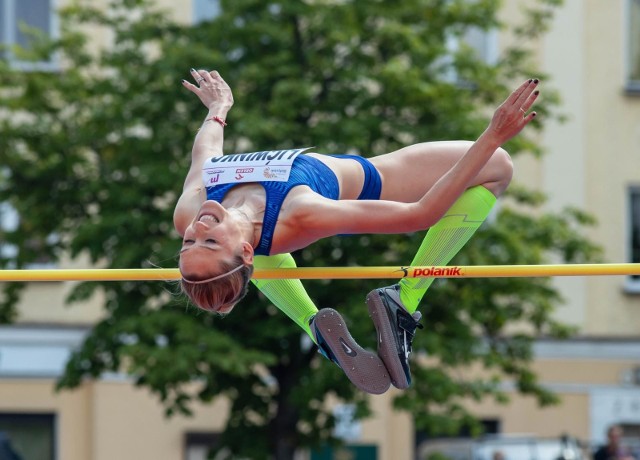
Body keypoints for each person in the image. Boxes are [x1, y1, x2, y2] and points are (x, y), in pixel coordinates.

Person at [174, 68, 539, 394]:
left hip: (263, 238)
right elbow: (419, 214)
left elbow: (204, 153)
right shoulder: (302, 214)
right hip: (371, 179)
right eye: (209, 240)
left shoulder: (189, 211)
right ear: (244, 252)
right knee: (498, 166)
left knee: (259, 247)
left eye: (189, 242)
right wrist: (492, 136)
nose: (199, 227)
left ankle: (315, 327)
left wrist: (217, 109)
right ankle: (404, 300)